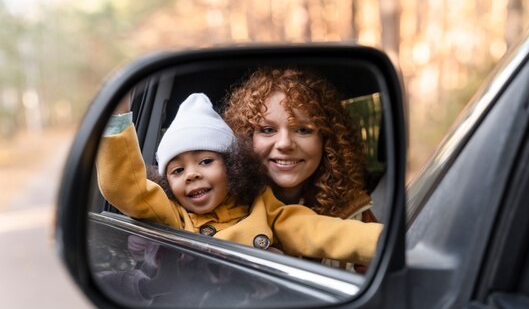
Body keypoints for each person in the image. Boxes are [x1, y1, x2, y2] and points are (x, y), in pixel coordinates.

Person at [96, 92, 381, 265]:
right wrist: (116, 119)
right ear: (167, 183)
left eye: (206, 161)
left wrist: (384, 243)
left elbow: (315, 230)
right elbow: (124, 188)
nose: (193, 173)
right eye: (177, 170)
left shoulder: (261, 205)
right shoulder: (172, 214)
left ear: (233, 166)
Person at [223, 67, 376, 222]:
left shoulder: (354, 216)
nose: (284, 144)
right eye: (268, 130)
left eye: (303, 130)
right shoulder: (220, 208)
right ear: (246, 138)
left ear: (327, 140)